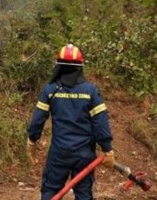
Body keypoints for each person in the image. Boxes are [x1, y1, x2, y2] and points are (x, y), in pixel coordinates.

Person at [27, 44, 115, 200]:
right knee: (83, 194)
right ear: (80, 67)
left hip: (59, 153)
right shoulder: (91, 91)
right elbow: (100, 122)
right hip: (84, 154)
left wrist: (32, 140)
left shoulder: (50, 90)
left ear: (58, 66)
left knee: (51, 191)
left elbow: (38, 119)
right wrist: (107, 148)